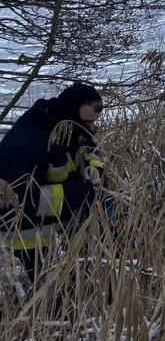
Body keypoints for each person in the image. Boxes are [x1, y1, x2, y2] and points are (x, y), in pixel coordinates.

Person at [0, 82, 105, 285]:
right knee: (51, 289)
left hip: (57, 220)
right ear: (74, 113)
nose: (93, 128)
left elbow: (88, 149)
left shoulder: (66, 125)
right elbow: (21, 199)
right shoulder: (27, 143)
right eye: (89, 123)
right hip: (26, 232)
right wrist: (78, 193)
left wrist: (94, 169)